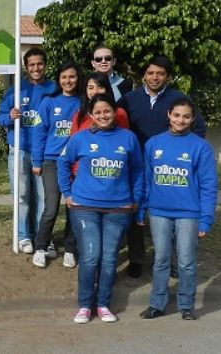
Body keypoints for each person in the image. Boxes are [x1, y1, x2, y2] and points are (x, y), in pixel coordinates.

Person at [57, 94, 144, 324]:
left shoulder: (128, 138)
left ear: (114, 112)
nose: (103, 116)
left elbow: (137, 170)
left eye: (107, 111)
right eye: (98, 112)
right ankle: (85, 305)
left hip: (119, 208)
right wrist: (67, 193)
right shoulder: (80, 138)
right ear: (91, 115)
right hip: (84, 206)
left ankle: (103, 304)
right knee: (91, 256)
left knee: (108, 258)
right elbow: (62, 162)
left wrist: (135, 199)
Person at [119, 55, 207, 278]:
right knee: (136, 211)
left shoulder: (178, 99)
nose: (155, 77)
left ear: (168, 76)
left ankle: (175, 263)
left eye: (160, 73)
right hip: (138, 165)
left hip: (170, 167)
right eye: (150, 73)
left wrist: (186, 154)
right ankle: (137, 259)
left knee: (176, 214)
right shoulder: (129, 99)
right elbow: (117, 123)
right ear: (143, 76)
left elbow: (198, 127)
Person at [137, 98, 218, 321]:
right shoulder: (153, 143)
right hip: (159, 211)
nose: (181, 120)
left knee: (186, 261)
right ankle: (157, 304)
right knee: (161, 259)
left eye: (186, 116)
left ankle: (186, 305)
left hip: (188, 213)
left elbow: (209, 186)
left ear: (192, 119)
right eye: (177, 115)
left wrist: (205, 219)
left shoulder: (201, 147)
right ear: (169, 115)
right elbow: (146, 179)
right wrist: (141, 208)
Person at [0, 48, 55, 254]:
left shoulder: (53, 89)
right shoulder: (15, 90)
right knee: (21, 195)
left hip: (44, 152)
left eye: (39, 64)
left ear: (45, 65)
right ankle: (23, 236)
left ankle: (42, 237)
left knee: (42, 196)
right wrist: (9, 117)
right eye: (31, 65)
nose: (36, 68)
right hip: (19, 149)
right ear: (26, 67)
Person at [31, 61, 81, 269]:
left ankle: (70, 249)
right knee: (51, 207)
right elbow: (39, 133)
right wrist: (37, 161)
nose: (68, 81)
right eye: (64, 77)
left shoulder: (84, 102)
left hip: (76, 163)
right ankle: (40, 247)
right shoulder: (48, 102)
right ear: (59, 80)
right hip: (51, 161)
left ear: (78, 79)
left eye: (72, 77)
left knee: (73, 207)